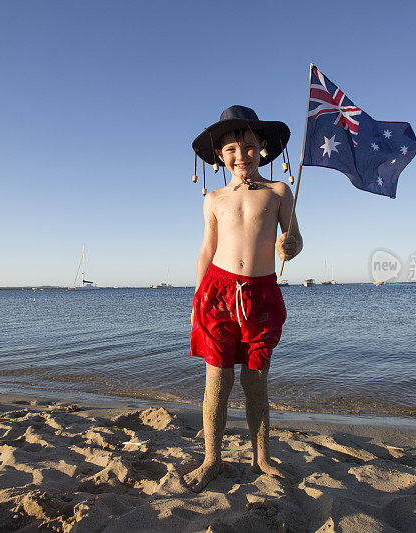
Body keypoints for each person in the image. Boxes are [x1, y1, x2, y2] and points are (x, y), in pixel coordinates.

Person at [184, 105, 302, 492]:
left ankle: (262, 456)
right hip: (216, 292)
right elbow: (206, 248)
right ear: (220, 155)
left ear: (262, 148)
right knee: (217, 379)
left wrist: (290, 246)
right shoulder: (214, 198)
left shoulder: (279, 191)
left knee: (255, 381)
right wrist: (197, 298)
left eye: (249, 147)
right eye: (232, 149)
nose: (241, 155)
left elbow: (295, 239)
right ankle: (212, 459)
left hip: (262, 292)